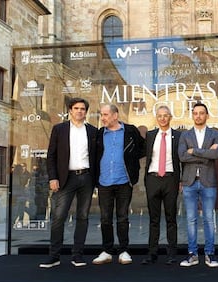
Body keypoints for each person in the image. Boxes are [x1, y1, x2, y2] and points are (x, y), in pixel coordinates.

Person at [39, 97, 97, 268]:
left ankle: (77, 255)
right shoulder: (59, 129)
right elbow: (51, 156)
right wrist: (53, 177)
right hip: (65, 178)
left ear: (86, 112)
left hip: (86, 177)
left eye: (83, 109)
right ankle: (54, 256)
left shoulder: (93, 131)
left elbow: (96, 156)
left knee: (83, 217)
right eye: (76, 108)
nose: (80, 111)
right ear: (70, 110)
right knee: (59, 217)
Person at [92, 104, 145, 265]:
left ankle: (123, 251)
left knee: (122, 218)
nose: (103, 118)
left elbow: (142, 149)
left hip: (124, 181)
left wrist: (132, 166)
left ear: (115, 115)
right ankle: (107, 251)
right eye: (102, 114)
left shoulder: (130, 131)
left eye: (106, 114)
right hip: (104, 182)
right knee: (105, 218)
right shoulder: (100, 133)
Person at [178, 102, 218, 268]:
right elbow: (182, 156)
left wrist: (194, 151)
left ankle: (210, 254)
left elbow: (216, 153)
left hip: (208, 182)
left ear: (207, 115)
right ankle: (193, 254)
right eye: (195, 113)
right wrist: (206, 155)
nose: (198, 116)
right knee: (191, 220)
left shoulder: (214, 134)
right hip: (189, 182)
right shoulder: (185, 135)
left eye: (201, 113)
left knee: (209, 219)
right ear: (192, 115)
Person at [141, 105, 181, 265]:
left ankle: (172, 254)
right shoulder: (150, 135)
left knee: (171, 218)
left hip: (170, 179)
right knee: (153, 219)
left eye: (165, 115)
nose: (163, 118)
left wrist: (181, 180)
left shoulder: (178, 136)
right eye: (160, 115)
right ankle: (152, 253)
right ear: (156, 118)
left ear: (170, 117)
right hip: (153, 179)